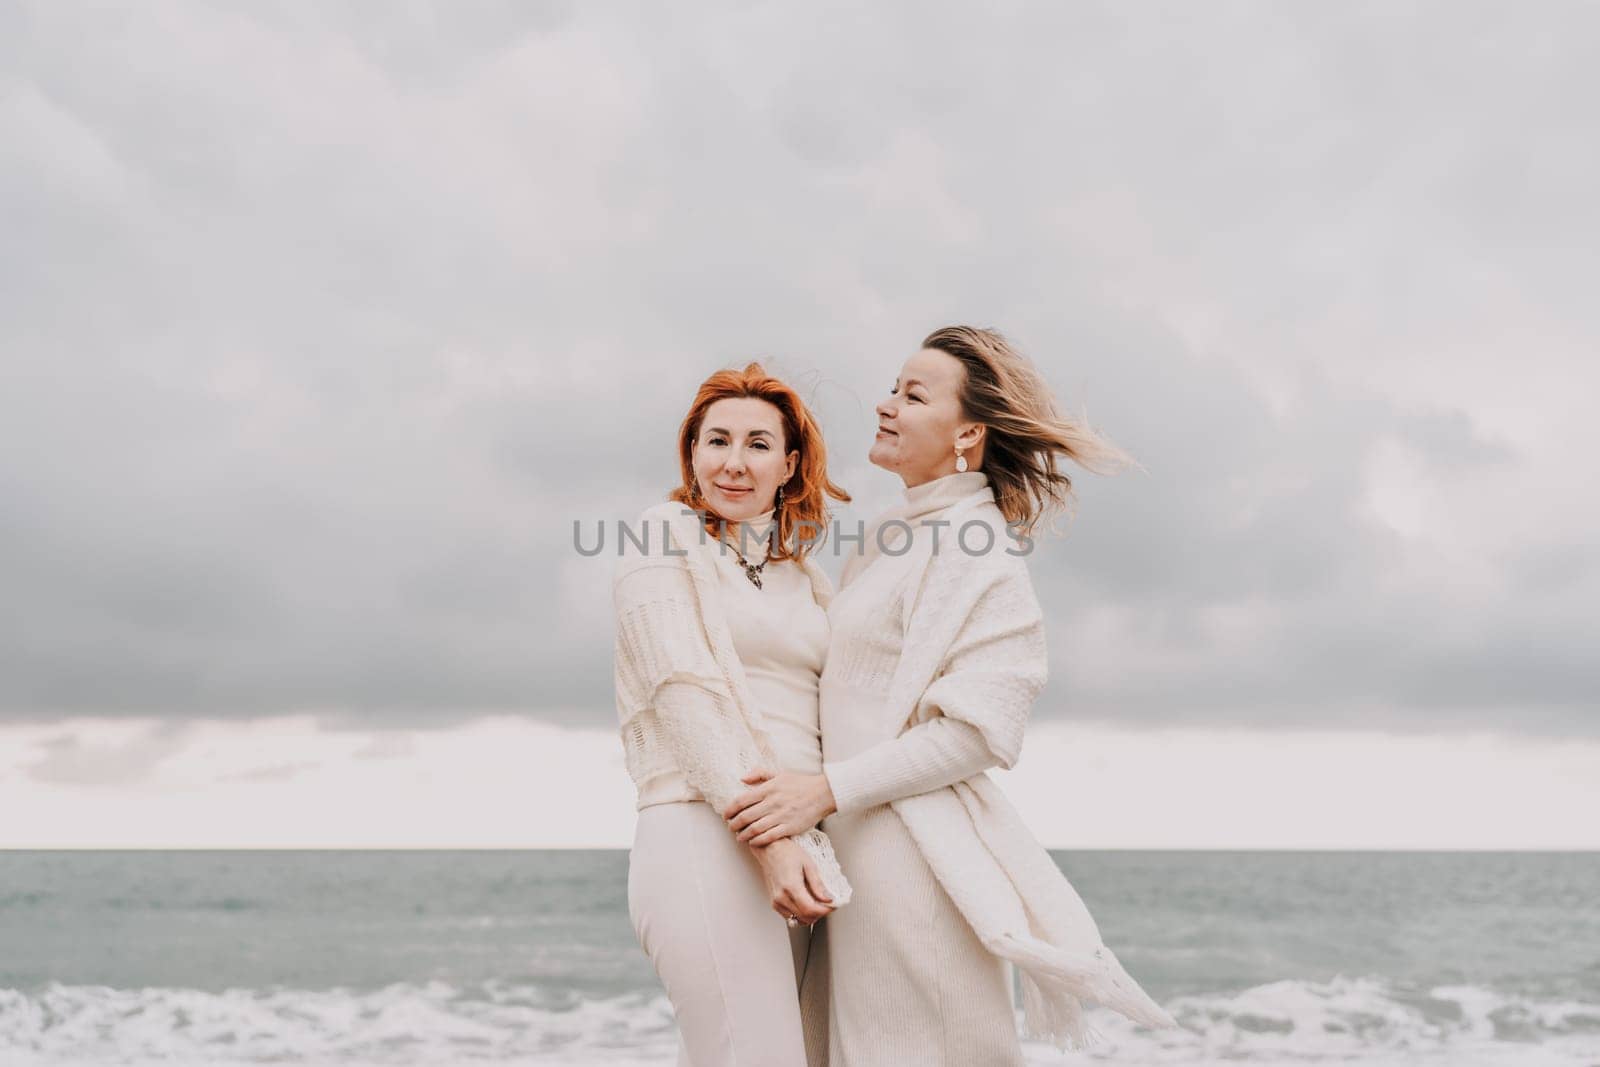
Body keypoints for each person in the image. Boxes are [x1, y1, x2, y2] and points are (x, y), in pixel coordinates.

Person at [722, 326, 1180, 1063]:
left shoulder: (980, 549)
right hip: (854, 858)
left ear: (968, 431)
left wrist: (822, 792)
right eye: (892, 387)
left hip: (912, 868)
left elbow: (977, 731)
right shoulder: (894, 538)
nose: (886, 404)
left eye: (913, 394)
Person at [613, 361, 853, 1067]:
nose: (734, 463)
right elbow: (683, 695)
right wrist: (772, 845)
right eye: (717, 440)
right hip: (702, 829)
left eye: (757, 443)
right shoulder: (663, 536)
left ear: (790, 462)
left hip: (798, 846)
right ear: (691, 452)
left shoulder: (806, 577)